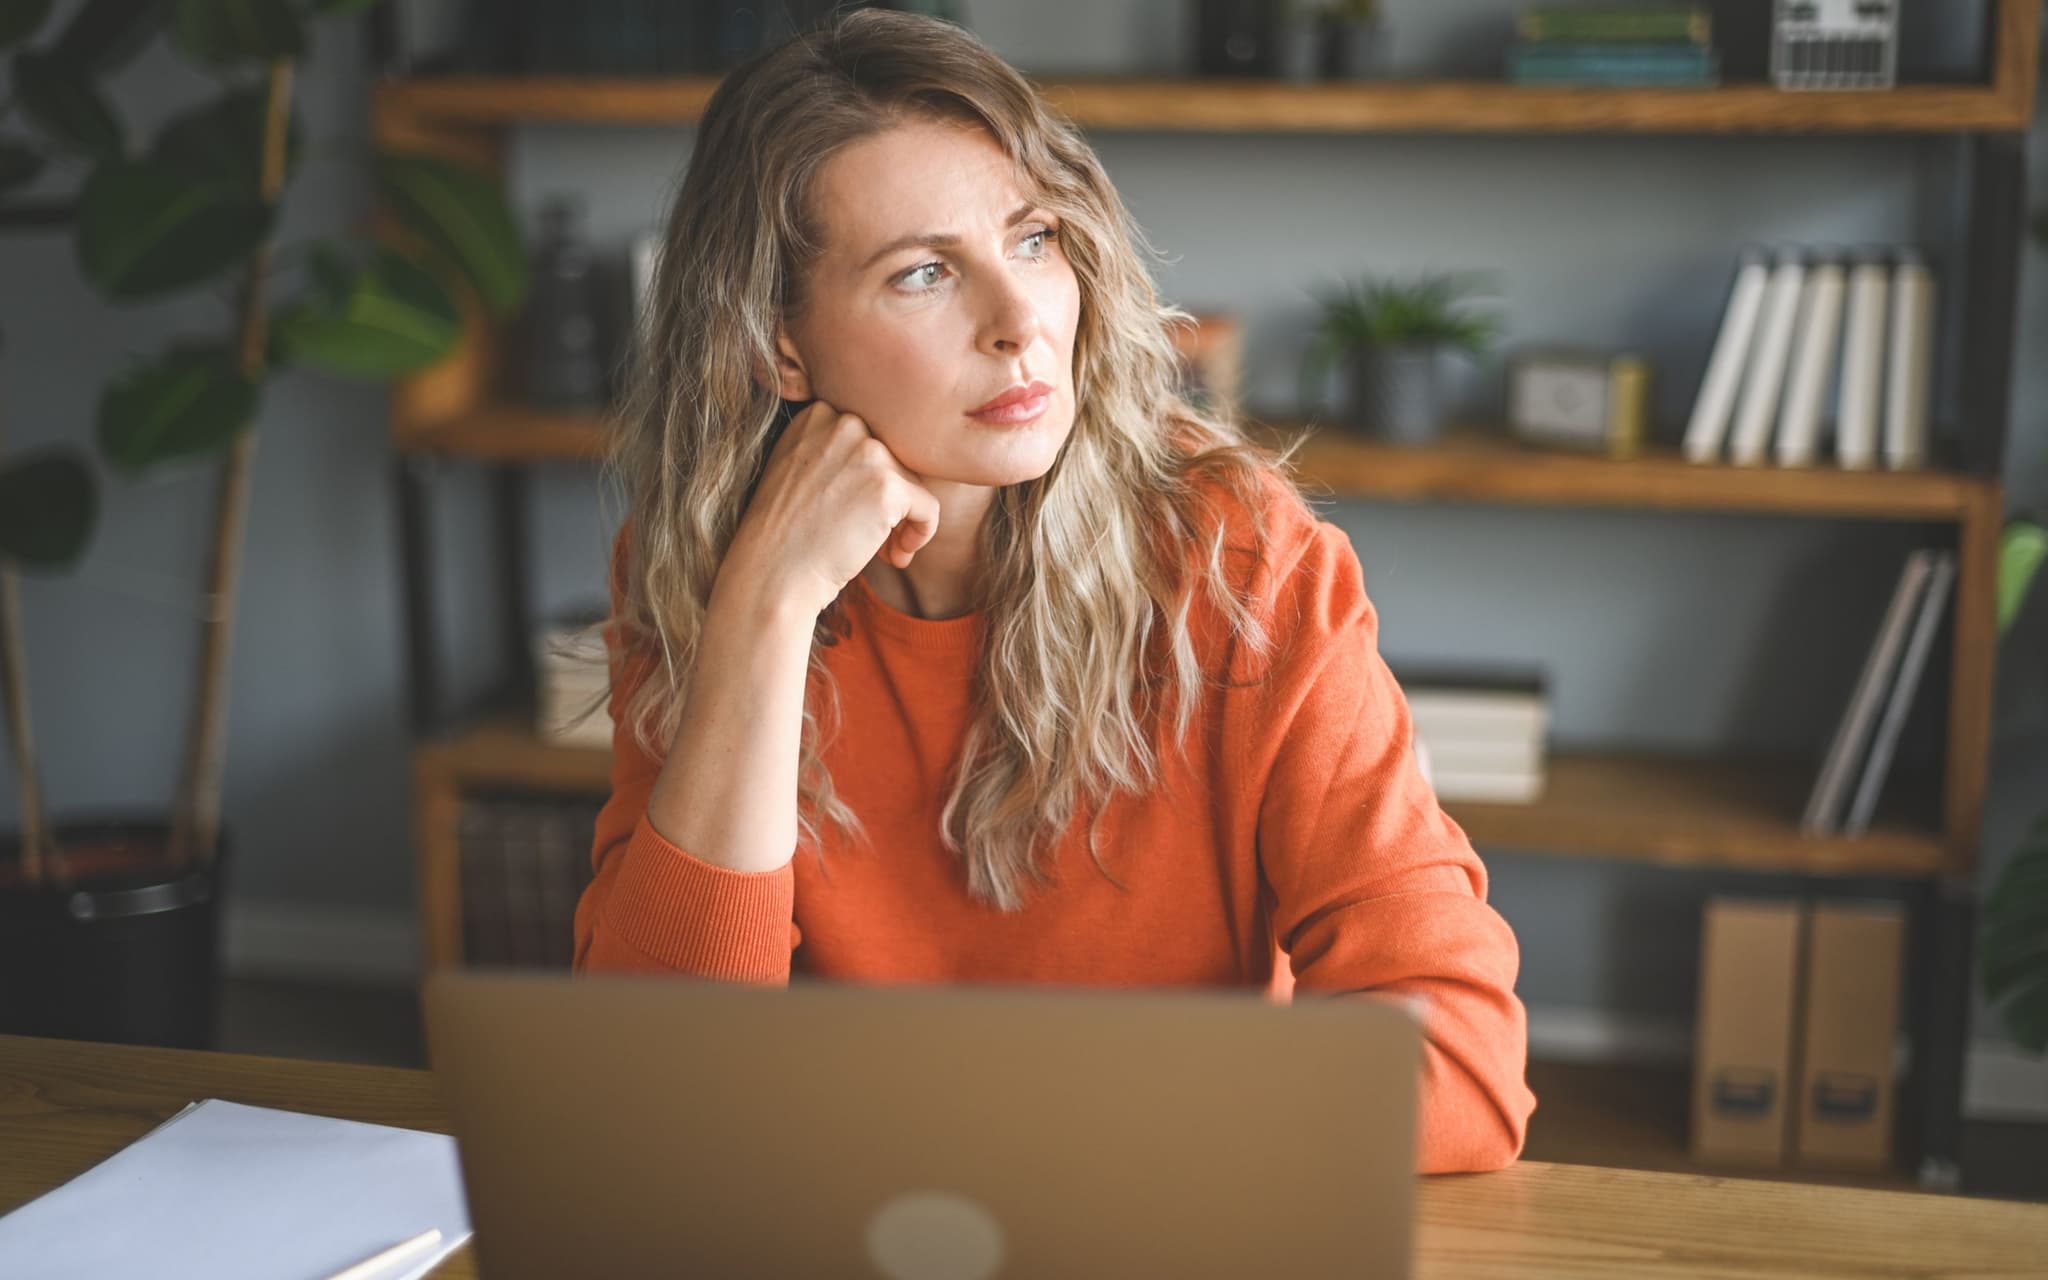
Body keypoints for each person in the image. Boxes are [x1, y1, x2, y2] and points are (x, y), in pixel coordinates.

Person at [571, 8, 1536, 1175]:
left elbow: (1465, 1063)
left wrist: (1032, 1130)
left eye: (1032, 240)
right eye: (924, 273)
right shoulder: (703, 572)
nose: (1020, 323)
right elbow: (651, 1087)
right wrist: (763, 619)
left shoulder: (1238, 560)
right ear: (780, 344)